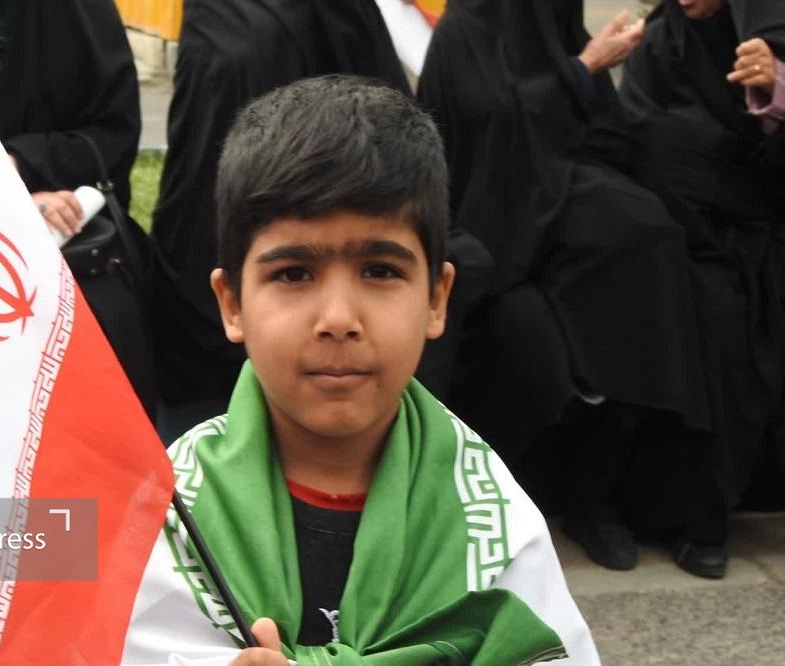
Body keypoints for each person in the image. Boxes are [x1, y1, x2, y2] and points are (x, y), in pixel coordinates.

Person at [120, 76, 600, 665]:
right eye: (294, 273)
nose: (339, 319)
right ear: (232, 305)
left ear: (437, 299)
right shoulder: (169, 511)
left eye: (379, 271)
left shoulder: (494, 523)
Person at [416, 0, 724, 575]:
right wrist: (583, 70)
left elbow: (605, 130)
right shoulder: (468, 28)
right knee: (538, 343)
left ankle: (608, 494)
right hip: (493, 220)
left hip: (561, 210)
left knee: (653, 246)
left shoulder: (550, 21)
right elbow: (491, 131)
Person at [149, 0, 411, 443]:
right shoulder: (212, 13)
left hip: (323, 256)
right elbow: (193, 149)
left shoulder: (340, 13)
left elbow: (386, 134)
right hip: (200, 269)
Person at [0, 0, 157, 417]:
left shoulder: (77, 13)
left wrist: (22, 164)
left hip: (66, 257)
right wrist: (0, 194)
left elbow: (113, 131)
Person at [620, 0, 785, 568]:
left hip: (764, 228)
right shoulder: (662, 41)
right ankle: (694, 519)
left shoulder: (766, 33)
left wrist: (776, 87)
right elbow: (642, 139)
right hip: (690, 238)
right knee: (711, 335)